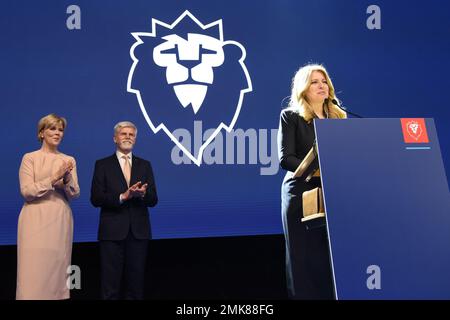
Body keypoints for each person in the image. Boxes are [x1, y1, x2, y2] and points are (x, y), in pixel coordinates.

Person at [277, 64, 346, 299]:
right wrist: (318, 171)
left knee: (328, 255)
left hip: (332, 191)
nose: (321, 86)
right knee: (303, 255)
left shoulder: (339, 117)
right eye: (315, 82)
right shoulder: (291, 116)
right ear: (304, 88)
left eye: (324, 81)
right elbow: (286, 159)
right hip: (301, 192)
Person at [90, 121, 158, 300]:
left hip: (138, 233)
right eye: (123, 134)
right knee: (110, 287)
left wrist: (142, 194)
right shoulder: (102, 165)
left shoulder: (145, 165)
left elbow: (154, 199)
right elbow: (96, 198)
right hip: (112, 233)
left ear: (135, 139)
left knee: (135, 287)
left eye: (131, 135)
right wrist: (123, 196)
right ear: (115, 138)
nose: (128, 137)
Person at [16, 114, 80, 300]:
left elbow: (75, 193)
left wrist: (67, 179)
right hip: (34, 219)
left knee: (59, 272)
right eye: (52, 128)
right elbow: (27, 191)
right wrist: (53, 178)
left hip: (60, 219)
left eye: (60, 130)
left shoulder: (69, 159)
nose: (57, 133)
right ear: (42, 132)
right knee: (32, 273)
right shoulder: (30, 158)